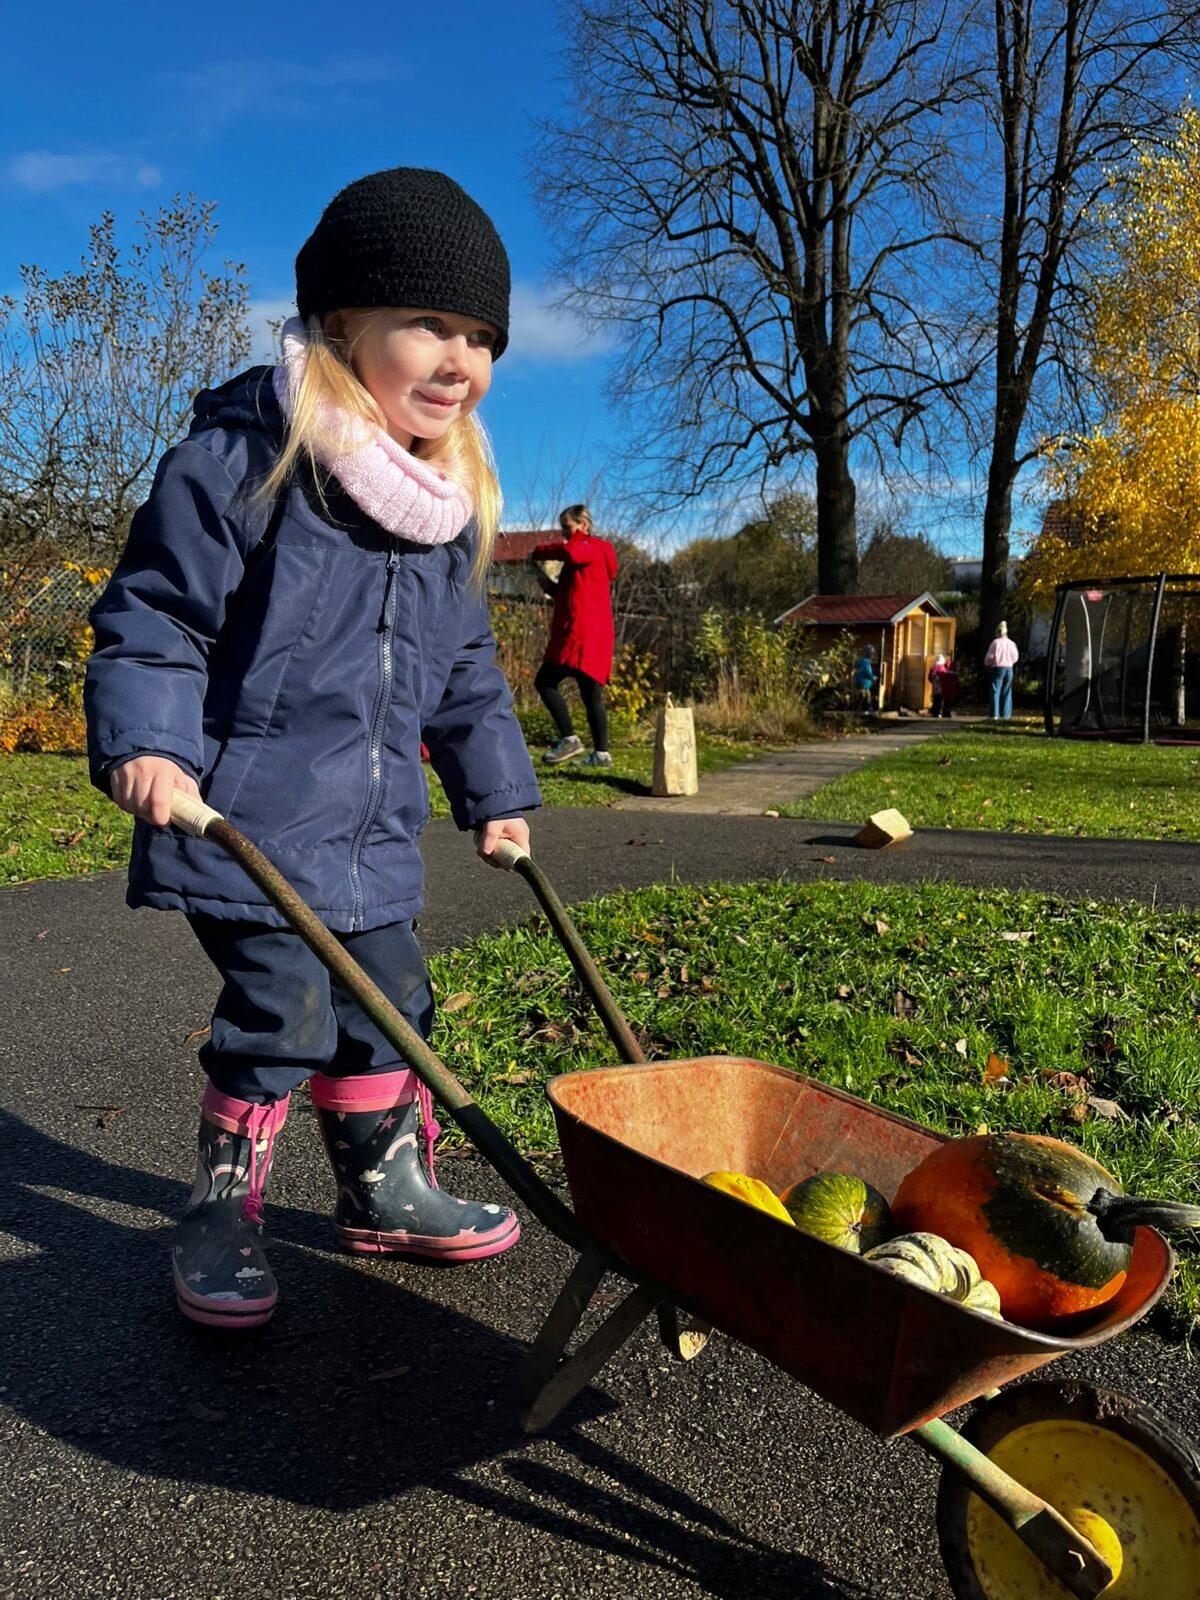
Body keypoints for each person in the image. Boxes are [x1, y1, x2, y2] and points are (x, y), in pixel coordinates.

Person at [84, 167, 541, 1331]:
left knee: (392, 997)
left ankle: (383, 1182)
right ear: (342, 324)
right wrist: (151, 745)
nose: (461, 359)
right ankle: (222, 1205)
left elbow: (463, 674)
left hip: (370, 831)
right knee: (282, 1000)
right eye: (429, 324)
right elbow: (158, 615)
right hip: (245, 819)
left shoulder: (441, 507)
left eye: (482, 337)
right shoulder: (250, 459)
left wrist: (496, 790)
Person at [530, 505, 618, 766]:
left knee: (545, 682)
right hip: (592, 632)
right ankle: (602, 755)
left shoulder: (591, 546)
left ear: (584, 524)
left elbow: (571, 551)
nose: (564, 533)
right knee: (591, 693)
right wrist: (551, 588)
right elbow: (573, 593)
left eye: (568, 526)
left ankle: (570, 739)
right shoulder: (586, 557)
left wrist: (538, 552)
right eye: (562, 527)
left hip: (581, 633)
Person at [984, 620, 1020, 719]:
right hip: (1009, 669)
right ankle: (1006, 715)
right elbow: (1016, 657)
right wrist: (1010, 663)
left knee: (996, 690)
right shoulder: (1011, 643)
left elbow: (989, 657)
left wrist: (988, 664)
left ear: (998, 632)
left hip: (997, 668)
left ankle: (994, 714)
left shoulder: (995, 643)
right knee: (1007, 691)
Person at [852, 645, 877, 715]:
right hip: (863, 684)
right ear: (870, 654)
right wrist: (873, 678)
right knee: (863, 697)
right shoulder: (866, 663)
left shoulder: (859, 661)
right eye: (872, 654)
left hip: (858, 682)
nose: (872, 656)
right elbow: (867, 673)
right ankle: (860, 712)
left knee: (866, 696)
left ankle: (866, 709)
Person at [929, 653, 948, 718]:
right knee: (940, 699)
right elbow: (945, 677)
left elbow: (930, 677)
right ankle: (939, 712)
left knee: (935, 699)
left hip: (935, 687)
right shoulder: (942, 668)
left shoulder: (933, 667)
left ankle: (934, 712)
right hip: (941, 686)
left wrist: (933, 682)